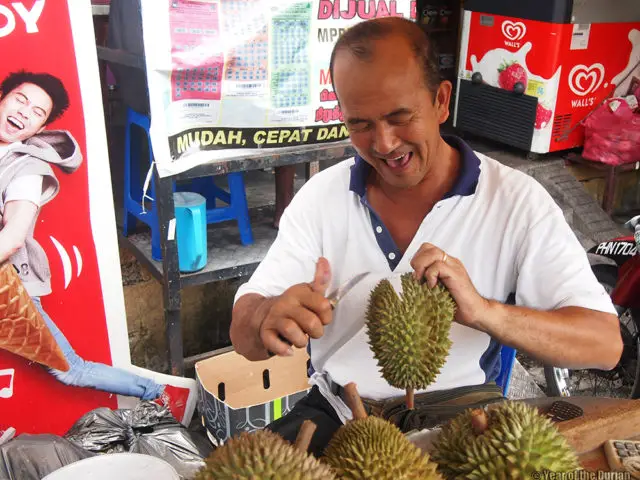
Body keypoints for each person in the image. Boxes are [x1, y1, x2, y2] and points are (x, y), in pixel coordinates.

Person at [229, 17, 623, 456]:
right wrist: (266, 316)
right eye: (360, 124)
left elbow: (604, 344)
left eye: (400, 117)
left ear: (440, 101)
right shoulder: (321, 197)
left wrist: (485, 312)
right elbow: (243, 335)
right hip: (337, 414)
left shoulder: (514, 201)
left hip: (462, 420)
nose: (383, 143)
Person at [0, 70, 189, 420]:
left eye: (37, 112)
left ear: (39, 129)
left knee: (71, 369)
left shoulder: (25, 170)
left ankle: (158, 394)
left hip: (11, 290)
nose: (24, 112)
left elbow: (12, 238)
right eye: (20, 100)